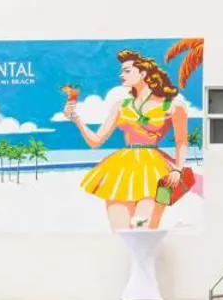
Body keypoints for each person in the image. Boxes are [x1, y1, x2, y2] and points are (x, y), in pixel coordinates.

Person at [63, 50, 193, 229]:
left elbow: (181, 141)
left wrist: (178, 169)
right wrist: (76, 119)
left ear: (143, 73)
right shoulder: (120, 106)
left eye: (127, 71)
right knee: (120, 231)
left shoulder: (173, 106)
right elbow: (95, 141)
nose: (121, 75)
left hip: (157, 171)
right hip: (120, 169)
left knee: (145, 230)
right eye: (121, 71)